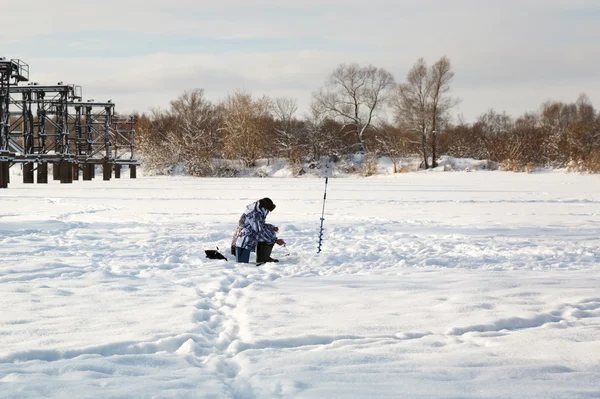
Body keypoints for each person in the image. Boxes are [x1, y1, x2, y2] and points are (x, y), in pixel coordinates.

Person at [231, 198, 285, 264]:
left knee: (270, 232)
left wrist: (272, 227)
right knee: (243, 263)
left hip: (249, 235)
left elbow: (260, 225)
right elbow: (260, 231)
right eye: (267, 209)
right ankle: (246, 259)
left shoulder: (258, 211)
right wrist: (275, 240)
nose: (267, 211)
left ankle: (263, 258)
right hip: (242, 239)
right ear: (263, 207)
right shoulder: (254, 214)